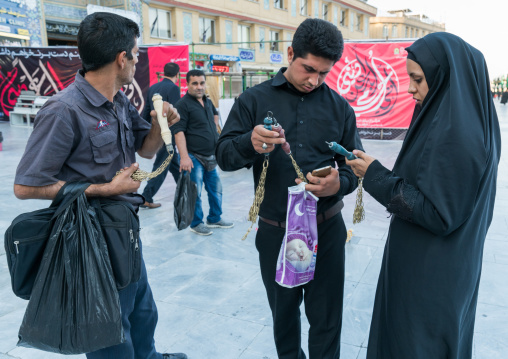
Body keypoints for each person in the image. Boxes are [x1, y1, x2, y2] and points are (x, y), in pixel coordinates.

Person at [13, 12, 187, 359]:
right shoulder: (64, 110)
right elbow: (25, 186)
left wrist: (159, 123)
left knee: (142, 312)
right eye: (135, 55)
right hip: (89, 238)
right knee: (109, 331)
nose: (137, 63)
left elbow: (146, 148)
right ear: (122, 58)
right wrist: (104, 189)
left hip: (125, 228)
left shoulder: (119, 101)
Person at [346, 32, 501, 359]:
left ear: (444, 76)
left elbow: (438, 214)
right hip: (441, 267)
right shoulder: (463, 122)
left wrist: (374, 175)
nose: (409, 88)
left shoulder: (457, 137)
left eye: (417, 79)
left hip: (428, 279)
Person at [216, 18, 363, 358]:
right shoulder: (253, 100)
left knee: (327, 319)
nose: (314, 80)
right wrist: (249, 142)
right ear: (291, 52)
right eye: (308, 69)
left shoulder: (340, 108)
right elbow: (223, 157)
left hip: (326, 231)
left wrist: (338, 183)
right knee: (284, 317)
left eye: (324, 73)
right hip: (276, 233)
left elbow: (354, 168)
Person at [172, 69, 233, 236]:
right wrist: (184, 157)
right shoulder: (182, 105)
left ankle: (214, 218)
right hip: (193, 157)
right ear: (187, 84)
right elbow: (178, 132)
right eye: (195, 83)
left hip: (211, 155)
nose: (199, 87)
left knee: (216, 189)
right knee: (195, 192)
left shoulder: (206, 100)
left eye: (202, 83)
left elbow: (215, 114)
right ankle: (196, 223)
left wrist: (213, 132)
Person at [140, 62, 182, 209]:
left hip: (155, 133)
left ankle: (185, 189)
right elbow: (177, 114)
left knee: (173, 163)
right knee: (162, 165)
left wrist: (146, 132)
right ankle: (146, 197)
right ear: (177, 75)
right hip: (168, 134)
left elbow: (146, 112)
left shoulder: (153, 88)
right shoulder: (174, 88)